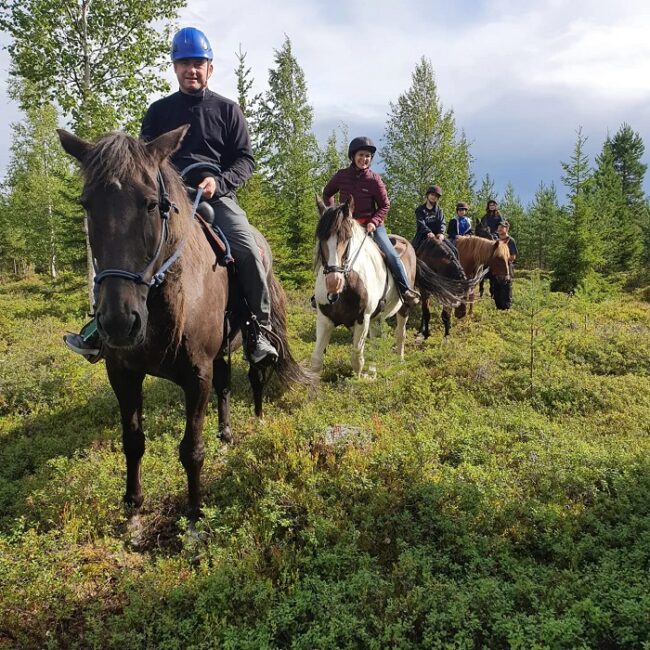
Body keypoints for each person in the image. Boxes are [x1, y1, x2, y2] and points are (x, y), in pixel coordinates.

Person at [64, 27, 278, 365]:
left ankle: (258, 330)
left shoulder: (228, 110)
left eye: (198, 63)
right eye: (184, 63)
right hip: (166, 199)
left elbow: (245, 160)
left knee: (248, 249)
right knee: (121, 240)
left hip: (215, 197)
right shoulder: (159, 111)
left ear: (210, 68)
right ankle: (100, 327)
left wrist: (218, 182)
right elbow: (142, 161)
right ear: (175, 68)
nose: (191, 70)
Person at [322, 136, 420, 306]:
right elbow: (327, 193)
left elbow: (384, 205)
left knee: (391, 255)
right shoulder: (341, 175)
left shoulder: (375, 180)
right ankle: (320, 295)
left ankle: (405, 290)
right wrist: (333, 215)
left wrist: (374, 221)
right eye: (361, 155)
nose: (364, 159)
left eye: (368, 156)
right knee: (329, 254)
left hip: (371, 227)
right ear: (353, 156)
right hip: (348, 226)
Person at [412, 185, 445, 250]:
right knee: (413, 251)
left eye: (436, 196)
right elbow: (421, 223)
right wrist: (428, 232)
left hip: (437, 236)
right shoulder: (420, 210)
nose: (434, 197)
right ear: (428, 195)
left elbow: (442, 223)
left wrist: (441, 233)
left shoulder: (439, 210)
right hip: (423, 236)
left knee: (453, 250)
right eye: (432, 194)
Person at [494, 220, 518, 309]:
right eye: (498, 227)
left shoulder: (511, 241)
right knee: (495, 290)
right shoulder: (495, 240)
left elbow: (513, 256)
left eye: (502, 227)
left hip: (507, 267)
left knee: (506, 290)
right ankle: (498, 310)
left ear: (507, 229)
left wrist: (502, 260)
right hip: (495, 269)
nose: (499, 229)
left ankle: (506, 310)